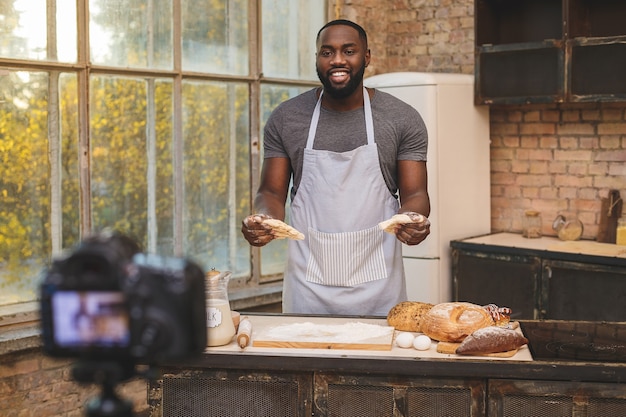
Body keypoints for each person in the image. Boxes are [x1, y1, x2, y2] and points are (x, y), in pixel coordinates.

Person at [241, 19, 430, 316]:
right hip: (308, 290)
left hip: (379, 292)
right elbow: (271, 192)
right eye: (327, 52)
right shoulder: (287, 118)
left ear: (366, 56)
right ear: (317, 58)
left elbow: (416, 193)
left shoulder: (401, 119)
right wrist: (263, 218)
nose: (337, 60)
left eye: (349, 51)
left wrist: (413, 219)